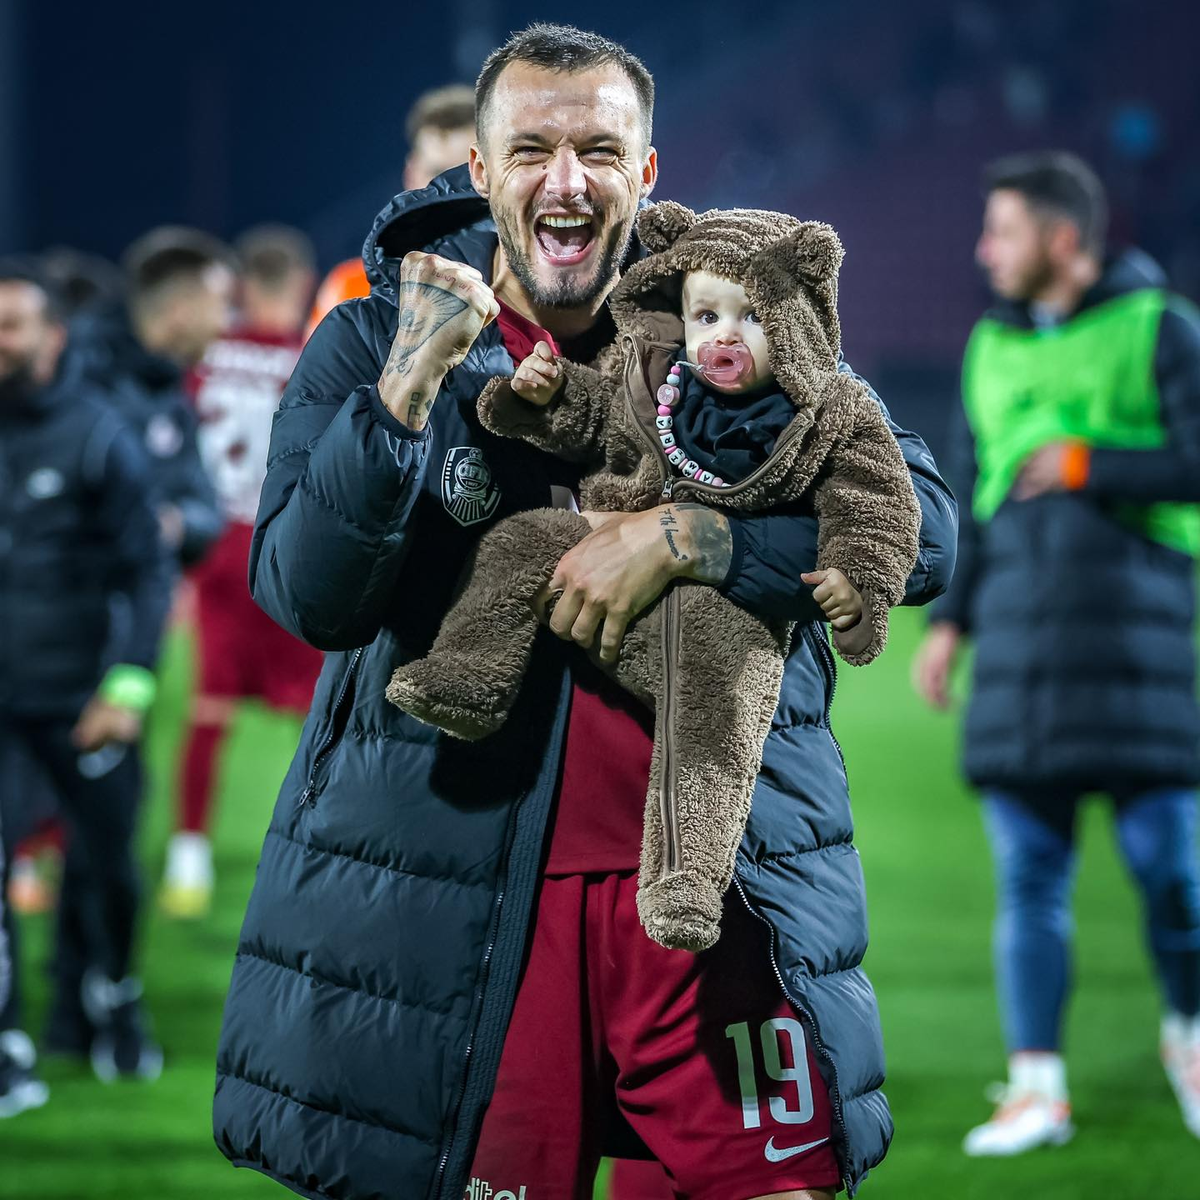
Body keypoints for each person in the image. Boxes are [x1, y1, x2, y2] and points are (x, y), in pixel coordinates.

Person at [213, 24, 956, 1200]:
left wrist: (701, 538)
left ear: (646, 172)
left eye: (601, 151)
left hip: (716, 899)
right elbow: (309, 595)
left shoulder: (733, 324)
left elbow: (925, 528)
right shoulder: (367, 342)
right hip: (471, 915)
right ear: (482, 166)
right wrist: (404, 394)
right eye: (535, 151)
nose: (568, 182)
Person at [389, 202, 921, 953]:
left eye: (752, 317)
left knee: (712, 720)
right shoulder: (654, 376)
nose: (722, 336)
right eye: (705, 315)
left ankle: (686, 879)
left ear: (797, 318)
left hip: (723, 616)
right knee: (523, 540)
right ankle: (469, 678)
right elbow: (598, 420)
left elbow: (880, 505)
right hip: (595, 567)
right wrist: (542, 399)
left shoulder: (832, 410)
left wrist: (856, 584)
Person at [912, 150, 1200, 1154]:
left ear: (1064, 238)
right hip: (1020, 662)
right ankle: (1037, 1087)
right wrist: (950, 623)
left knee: (1175, 881)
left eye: (1003, 230)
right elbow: (978, 503)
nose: (985, 251)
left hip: (1141, 651)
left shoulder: (1163, 328)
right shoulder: (990, 347)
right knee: (1029, 881)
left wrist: (1088, 463)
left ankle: (1190, 1039)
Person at [44, 228, 232, 1057]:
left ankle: (86, 1004)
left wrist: (167, 524)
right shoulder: (74, 373)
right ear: (181, 303)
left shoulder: (165, 392)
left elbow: (196, 506)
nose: (224, 320)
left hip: (124, 646)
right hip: (42, 642)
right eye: (218, 302)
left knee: (108, 831)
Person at [0, 261, 173, 1106]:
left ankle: (115, 1006)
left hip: (85, 701)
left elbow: (149, 572)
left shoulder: (100, 434)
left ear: (51, 337)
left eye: (10, 326)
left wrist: (127, 688)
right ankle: (7, 1045)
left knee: (109, 873)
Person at [159, 225, 322, 918]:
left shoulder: (206, 358)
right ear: (297, 286)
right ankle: (312, 850)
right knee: (314, 717)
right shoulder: (310, 357)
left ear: (244, 285)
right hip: (284, 551)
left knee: (207, 709)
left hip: (219, 553)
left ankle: (186, 858)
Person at [305, 83, 476, 335]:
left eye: (463, 175)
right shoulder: (352, 289)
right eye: (437, 174)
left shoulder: (523, 288)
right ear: (411, 174)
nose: (449, 190)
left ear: (486, 176)